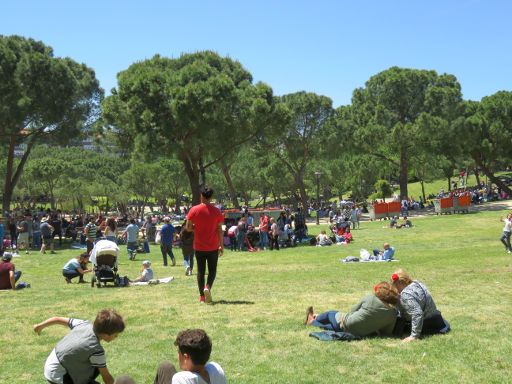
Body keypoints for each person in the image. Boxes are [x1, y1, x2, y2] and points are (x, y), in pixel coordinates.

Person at [34, 309, 125, 384]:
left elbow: (57, 319)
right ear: (106, 335)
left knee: (95, 367)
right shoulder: (96, 350)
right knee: (98, 366)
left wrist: (40, 326)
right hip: (58, 376)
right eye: (115, 335)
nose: (116, 337)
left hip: (51, 364)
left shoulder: (83, 324)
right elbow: (106, 377)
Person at [305, 282, 398, 338]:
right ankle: (314, 320)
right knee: (331, 326)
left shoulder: (370, 298)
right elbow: (386, 332)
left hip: (347, 324)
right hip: (361, 333)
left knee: (331, 313)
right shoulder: (393, 313)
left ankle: (314, 319)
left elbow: (352, 310)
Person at [185, 185, 224, 304]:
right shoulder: (217, 211)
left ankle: (202, 297)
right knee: (212, 270)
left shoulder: (194, 210)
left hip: (199, 246)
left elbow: (188, 228)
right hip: (213, 246)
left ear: (201, 196)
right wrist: (221, 245)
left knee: (200, 272)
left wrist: (196, 227)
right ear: (211, 197)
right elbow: (219, 229)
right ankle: (208, 287)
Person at [390, 269, 450, 342]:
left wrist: (414, 336)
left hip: (427, 324)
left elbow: (417, 314)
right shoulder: (417, 283)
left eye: (394, 285)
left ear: (399, 282)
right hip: (438, 321)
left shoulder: (405, 295)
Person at [154, 329, 226, 384]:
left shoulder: (181, 379)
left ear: (186, 357)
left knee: (165, 367)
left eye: (179, 352)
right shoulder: (216, 370)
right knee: (166, 368)